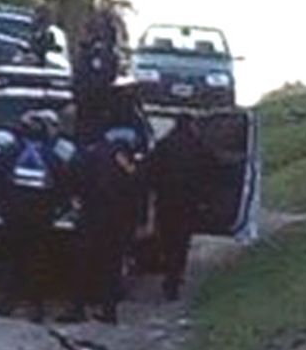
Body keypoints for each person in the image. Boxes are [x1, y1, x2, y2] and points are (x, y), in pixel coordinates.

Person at [0, 109, 73, 323]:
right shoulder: (51, 156)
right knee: (36, 260)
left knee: (11, 258)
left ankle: (6, 304)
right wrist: (59, 209)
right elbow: (64, 184)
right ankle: (35, 308)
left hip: (13, 215)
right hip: (40, 217)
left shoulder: (11, 151)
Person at [60, 127, 144, 324]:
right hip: (117, 219)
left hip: (91, 215)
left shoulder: (91, 153)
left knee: (82, 262)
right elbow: (137, 188)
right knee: (112, 266)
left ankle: (77, 308)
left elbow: (72, 172)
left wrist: (75, 198)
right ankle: (109, 311)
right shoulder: (127, 161)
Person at [150, 116, 210, 301]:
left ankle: (169, 272)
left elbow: (151, 170)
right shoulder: (198, 146)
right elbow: (210, 171)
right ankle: (175, 278)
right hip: (188, 202)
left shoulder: (164, 145)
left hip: (166, 200)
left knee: (166, 238)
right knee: (181, 241)